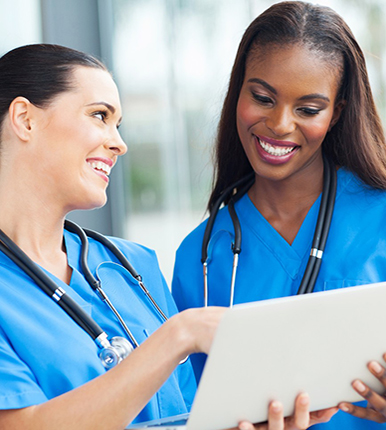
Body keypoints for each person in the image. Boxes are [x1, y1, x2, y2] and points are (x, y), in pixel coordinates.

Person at [0, 43, 335, 430]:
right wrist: (179, 335)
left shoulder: (131, 265)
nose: (118, 143)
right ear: (25, 119)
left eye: (118, 125)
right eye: (99, 116)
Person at [172, 1, 386, 429]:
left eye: (308, 109)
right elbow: (187, 413)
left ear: (336, 113)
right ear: (238, 94)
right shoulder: (199, 256)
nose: (280, 124)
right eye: (263, 98)